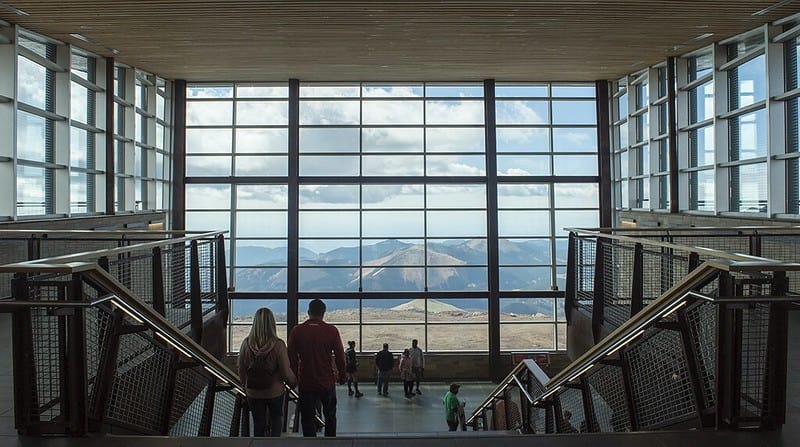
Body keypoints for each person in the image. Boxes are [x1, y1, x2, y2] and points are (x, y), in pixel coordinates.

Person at [287, 299, 347, 437]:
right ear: (323, 313)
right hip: (326, 381)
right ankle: (330, 441)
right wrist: (342, 375)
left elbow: (291, 356)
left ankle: (310, 442)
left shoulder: (297, 331)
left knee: (307, 417)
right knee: (330, 415)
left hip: (306, 381)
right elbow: (339, 356)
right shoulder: (331, 331)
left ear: (308, 312)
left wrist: (294, 376)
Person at [237, 307, 296, 437]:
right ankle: (274, 443)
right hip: (274, 392)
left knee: (258, 423)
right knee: (276, 419)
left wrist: (244, 387)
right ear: (272, 323)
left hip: (253, 392)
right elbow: (286, 371)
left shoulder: (245, 344)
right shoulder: (278, 345)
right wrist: (293, 383)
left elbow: (241, 369)